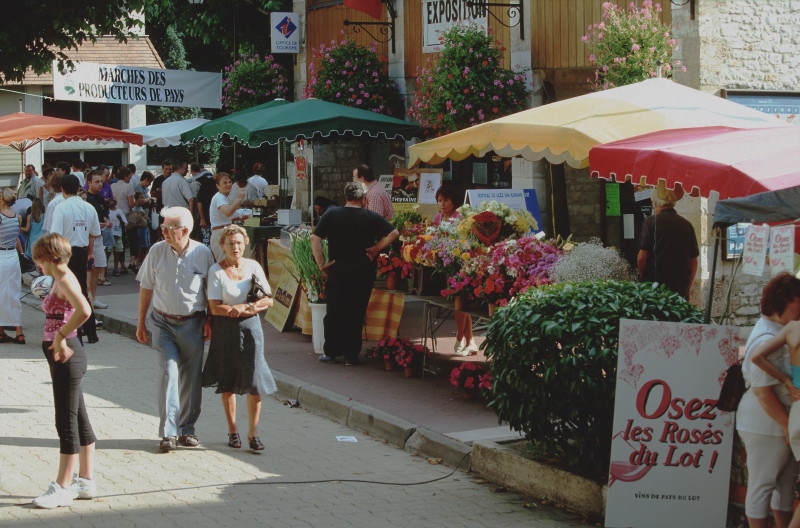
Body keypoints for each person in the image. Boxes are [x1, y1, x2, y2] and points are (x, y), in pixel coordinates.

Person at [136, 206, 215, 452]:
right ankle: (169, 432)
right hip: (163, 323)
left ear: (186, 230)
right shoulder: (157, 251)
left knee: (191, 377)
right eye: (163, 227)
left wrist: (210, 320)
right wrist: (141, 322)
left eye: (170, 228)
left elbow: (211, 291)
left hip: (193, 322)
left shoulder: (203, 253)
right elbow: (146, 287)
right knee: (169, 373)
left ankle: (187, 429)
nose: (164, 232)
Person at [30, 233, 96, 509]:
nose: (37, 265)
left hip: (67, 353)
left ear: (49, 257)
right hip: (62, 352)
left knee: (65, 421)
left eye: (39, 259)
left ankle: (62, 486)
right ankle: (86, 480)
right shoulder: (58, 278)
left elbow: (85, 310)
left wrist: (60, 336)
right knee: (78, 418)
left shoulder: (65, 278)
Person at [202, 225, 276, 451]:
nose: (235, 247)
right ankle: (233, 431)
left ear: (245, 244)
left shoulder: (253, 266)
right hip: (225, 330)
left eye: (239, 243)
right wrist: (236, 310)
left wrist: (245, 307)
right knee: (228, 380)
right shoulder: (216, 271)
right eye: (230, 243)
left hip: (252, 327)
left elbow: (269, 299)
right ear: (222, 246)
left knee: (255, 381)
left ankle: (254, 433)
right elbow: (215, 307)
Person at [736, 272, 800, 528]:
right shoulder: (765, 335)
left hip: (780, 421)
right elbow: (763, 391)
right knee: (762, 485)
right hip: (766, 422)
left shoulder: (778, 329)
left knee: (784, 486)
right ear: (786, 300)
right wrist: (786, 426)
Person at [312, 182, 399, 366]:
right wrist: (376, 248)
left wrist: (321, 263)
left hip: (338, 269)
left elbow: (315, 238)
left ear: (346, 197)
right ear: (364, 198)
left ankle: (332, 352)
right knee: (356, 312)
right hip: (362, 270)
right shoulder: (370, 216)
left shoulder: (332, 214)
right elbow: (393, 232)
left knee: (334, 311)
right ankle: (351, 356)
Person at [49, 174, 100, 344]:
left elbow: (55, 236)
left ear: (62, 189)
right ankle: (91, 331)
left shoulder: (61, 208)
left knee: (65, 292)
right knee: (82, 291)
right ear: (78, 187)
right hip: (82, 252)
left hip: (65, 253)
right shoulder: (88, 207)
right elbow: (94, 233)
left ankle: (74, 331)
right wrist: (90, 252)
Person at [433, 185, 477, 355]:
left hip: (459, 264)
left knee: (459, 301)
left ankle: (460, 336)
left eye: (446, 200)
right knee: (459, 303)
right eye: (439, 200)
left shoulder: (459, 217)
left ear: (453, 202)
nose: (442, 204)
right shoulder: (438, 217)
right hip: (444, 266)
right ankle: (470, 340)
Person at [637, 182, 699, 300]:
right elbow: (694, 262)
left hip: (655, 286)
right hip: (680, 288)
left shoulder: (650, 222)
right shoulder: (686, 224)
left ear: (655, 203)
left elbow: (641, 258)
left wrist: (645, 280)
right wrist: (687, 288)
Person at [0, 187, 25, 344]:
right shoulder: (18, 217)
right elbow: (16, 238)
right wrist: (22, 254)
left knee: (1, 293)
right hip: (13, 257)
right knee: (14, 293)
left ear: (2, 198)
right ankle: (19, 332)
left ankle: (1, 330)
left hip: (1, 256)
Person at [85, 171, 112, 302]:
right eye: (97, 182)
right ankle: (88, 297)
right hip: (89, 238)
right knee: (89, 269)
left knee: (98, 267)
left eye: (101, 181)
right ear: (89, 183)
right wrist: (98, 225)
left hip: (99, 236)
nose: (100, 184)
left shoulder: (101, 198)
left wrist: (107, 222)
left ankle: (93, 298)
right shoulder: (86, 198)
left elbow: (104, 214)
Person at [209, 172, 246, 261]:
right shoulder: (219, 197)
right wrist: (239, 199)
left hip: (224, 232)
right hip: (220, 233)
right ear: (218, 185)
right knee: (225, 264)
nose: (228, 184)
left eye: (229, 182)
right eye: (225, 183)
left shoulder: (223, 197)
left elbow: (227, 215)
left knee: (229, 263)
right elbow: (228, 212)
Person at [194, 165, 217, 248]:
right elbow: (199, 202)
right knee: (207, 244)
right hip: (207, 220)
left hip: (212, 221)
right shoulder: (206, 184)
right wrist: (202, 219)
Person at [108, 199, 127, 276]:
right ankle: (104, 268)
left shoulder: (119, 211)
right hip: (109, 235)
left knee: (117, 253)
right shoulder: (107, 211)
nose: (110, 202)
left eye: (111, 201)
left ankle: (115, 268)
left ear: (115, 202)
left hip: (117, 235)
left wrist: (120, 219)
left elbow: (125, 224)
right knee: (108, 252)